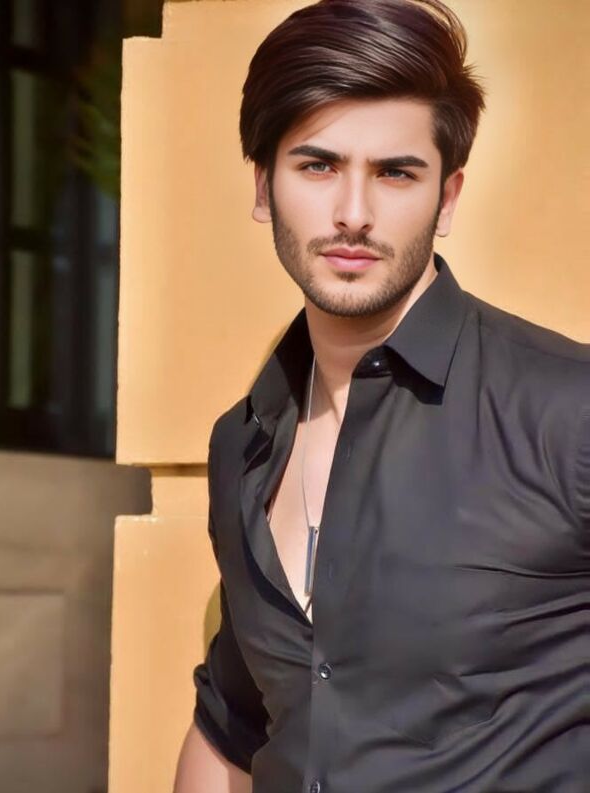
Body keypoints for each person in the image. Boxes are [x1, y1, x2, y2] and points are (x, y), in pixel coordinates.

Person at [174, 1, 590, 790]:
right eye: (318, 166)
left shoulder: (569, 412)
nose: (353, 215)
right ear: (263, 186)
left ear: (448, 197)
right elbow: (232, 726)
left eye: (395, 173)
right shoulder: (242, 443)